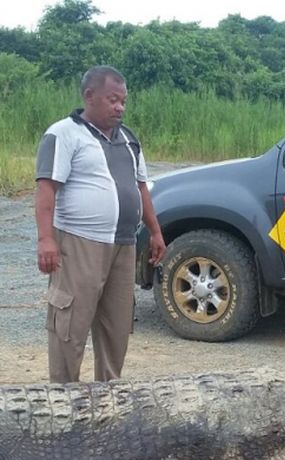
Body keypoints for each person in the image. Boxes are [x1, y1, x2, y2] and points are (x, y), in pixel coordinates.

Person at [35, 65, 166, 384]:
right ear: (89, 96)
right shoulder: (63, 134)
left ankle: (109, 399)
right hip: (80, 243)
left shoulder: (129, 139)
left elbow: (141, 187)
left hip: (123, 245)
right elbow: (46, 190)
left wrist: (156, 232)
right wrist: (46, 240)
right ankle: (63, 397)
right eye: (113, 100)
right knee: (71, 324)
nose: (120, 107)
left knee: (117, 324)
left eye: (123, 101)